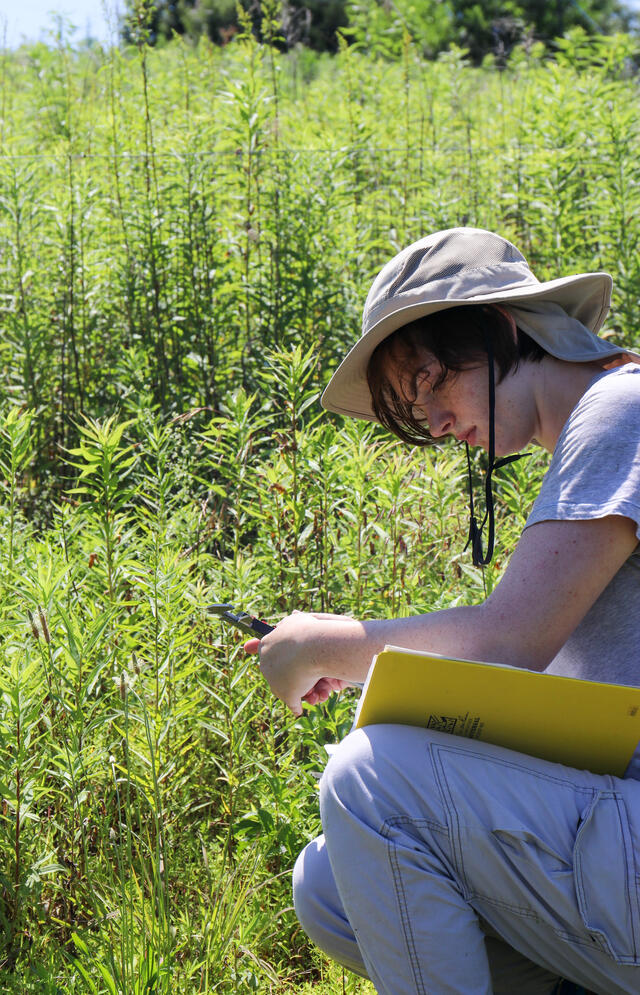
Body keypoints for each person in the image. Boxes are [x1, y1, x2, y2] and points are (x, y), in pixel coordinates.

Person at [244, 228, 640, 994]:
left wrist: (324, 642)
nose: (428, 418)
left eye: (427, 377)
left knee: (371, 784)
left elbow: (512, 641)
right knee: (331, 885)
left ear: (499, 328)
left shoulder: (620, 409)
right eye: (405, 402)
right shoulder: (597, 433)